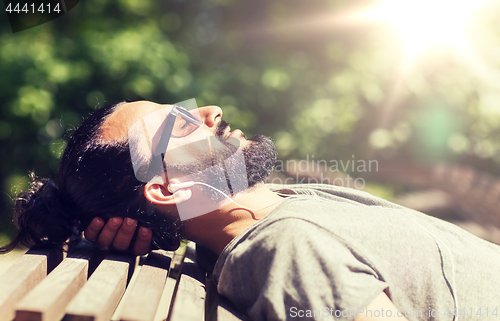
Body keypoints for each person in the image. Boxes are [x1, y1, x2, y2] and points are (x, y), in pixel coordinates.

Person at [3, 100, 500, 321]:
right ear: (168, 189)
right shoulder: (286, 247)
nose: (210, 111)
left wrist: (98, 232)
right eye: (178, 124)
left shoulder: (275, 209)